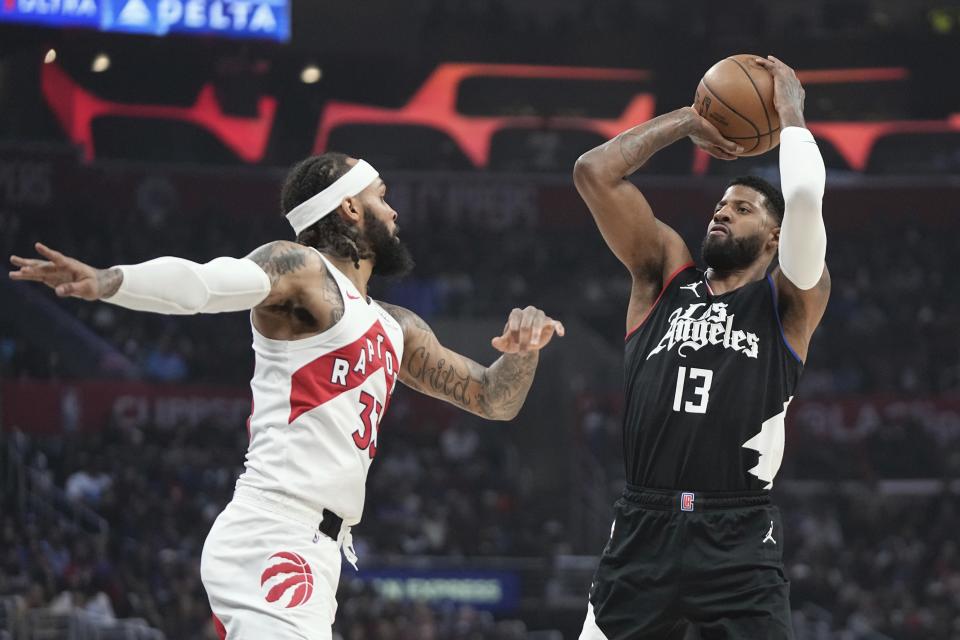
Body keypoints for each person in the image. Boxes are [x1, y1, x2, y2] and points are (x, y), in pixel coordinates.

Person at [9, 152, 564, 639]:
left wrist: (525, 349)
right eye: (382, 196)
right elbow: (205, 284)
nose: (394, 212)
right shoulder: (302, 272)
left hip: (319, 550)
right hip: (272, 533)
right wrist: (111, 280)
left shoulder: (397, 325)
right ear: (349, 207)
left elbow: (494, 399)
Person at [571, 56, 829, 639]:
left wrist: (789, 111)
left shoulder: (789, 302)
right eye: (719, 205)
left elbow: (807, 198)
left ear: (774, 237)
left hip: (738, 536)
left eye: (742, 209)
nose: (722, 212)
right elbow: (593, 173)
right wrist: (689, 119)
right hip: (643, 524)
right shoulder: (663, 274)